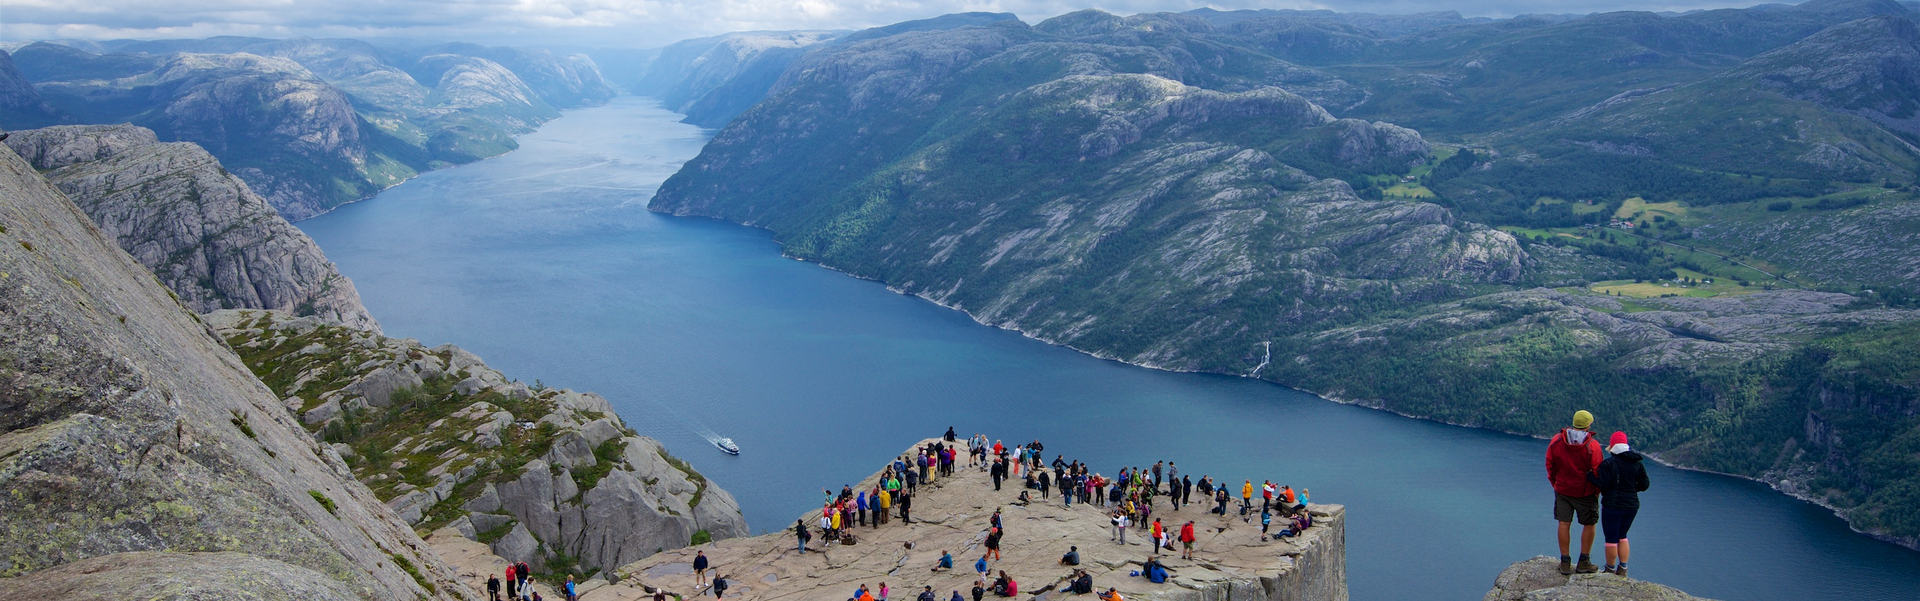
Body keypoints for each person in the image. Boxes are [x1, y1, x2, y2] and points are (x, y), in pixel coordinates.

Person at [1547, 410, 1606, 575]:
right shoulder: (1592, 446)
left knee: (1564, 523)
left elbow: (1550, 464)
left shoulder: (1557, 440)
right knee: (1589, 523)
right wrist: (1596, 491)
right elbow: (1597, 471)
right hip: (1585, 492)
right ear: (1588, 425)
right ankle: (1584, 561)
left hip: (1563, 489)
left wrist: (1555, 483)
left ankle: (1565, 562)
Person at [1588, 431, 1650, 577]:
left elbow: (1603, 485)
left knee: (1611, 537)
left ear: (1612, 446)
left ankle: (1610, 569)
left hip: (1612, 506)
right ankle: (1623, 568)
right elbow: (1645, 484)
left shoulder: (1608, 464)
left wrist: (1590, 477)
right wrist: (1632, 489)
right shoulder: (1637, 464)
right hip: (1631, 506)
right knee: (1622, 535)